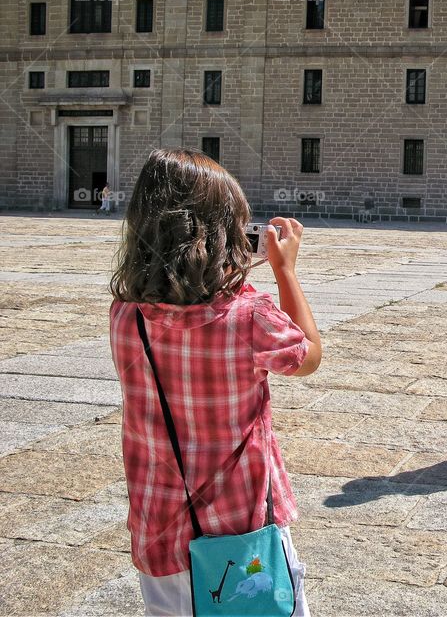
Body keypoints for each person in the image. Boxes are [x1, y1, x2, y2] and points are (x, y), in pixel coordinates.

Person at [109, 148, 323, 615]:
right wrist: (284, 270)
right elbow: (307, 355)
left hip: (161, 528)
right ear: (224, 236)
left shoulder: (126, 315)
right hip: (241, 530)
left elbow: (180, 307)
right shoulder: (250, 317)